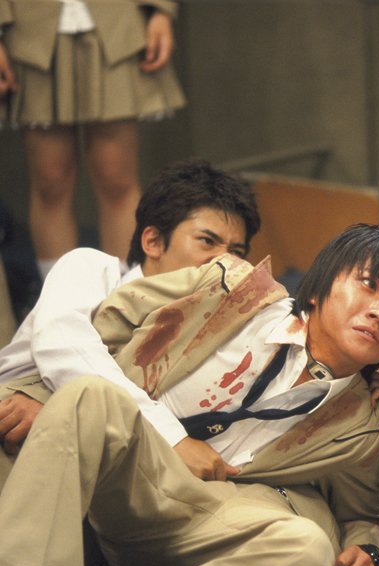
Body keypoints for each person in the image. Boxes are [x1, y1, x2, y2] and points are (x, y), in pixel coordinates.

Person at [0, 223, 379, 566]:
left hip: (207, 518)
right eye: (369, 284)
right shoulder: (228, 287)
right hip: (128, 468)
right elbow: (101, 330)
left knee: (306, 547)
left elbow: (376, 516)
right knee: (90, 393)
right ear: (319, 286)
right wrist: (44, 393)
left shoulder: (361, 418)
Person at [0, 157, 260, 475]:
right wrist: (172, 438)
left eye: (236, 253)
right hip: (13, 415)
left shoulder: (209, 329)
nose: (224, 262)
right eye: (207, 241)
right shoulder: (92, 268)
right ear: (153, 241)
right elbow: (63, 345)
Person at [0, 1, 186, 277]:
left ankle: (124, 294)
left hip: (116, 21)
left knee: (117, 179)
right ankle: (60, 298)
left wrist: (161, 10)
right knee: (51, 183)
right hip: (30, 26)